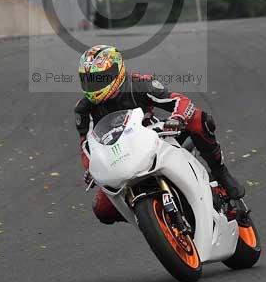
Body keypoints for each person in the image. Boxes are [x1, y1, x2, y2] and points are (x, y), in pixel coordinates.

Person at [75, 45, 245, 225]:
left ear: (116, 70)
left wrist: (178, 117)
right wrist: (92, 167)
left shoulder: (138, 84)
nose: (95, 84)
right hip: (117, 156)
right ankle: (151, 219)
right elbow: (86, 145)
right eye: (90, 80)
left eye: (100, 78)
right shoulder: (83, 109)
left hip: (152, 137)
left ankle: (221, 173)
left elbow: (179, 100)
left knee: (198, 118)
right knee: (101, 209)